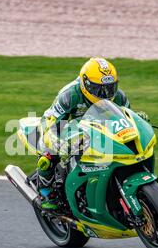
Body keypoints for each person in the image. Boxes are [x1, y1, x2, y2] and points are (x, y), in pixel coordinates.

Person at [37, 57, 149, 210]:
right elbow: (52, 123)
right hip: (64, 127)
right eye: (99, 89)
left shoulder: (119, 96)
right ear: (86, 84)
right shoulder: (70, 95)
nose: (105, 94)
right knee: (48, 151)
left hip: (97, 128)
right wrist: (63, 140)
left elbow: (126, 117)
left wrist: (138, 119)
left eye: (110, 88)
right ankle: (46, 192)